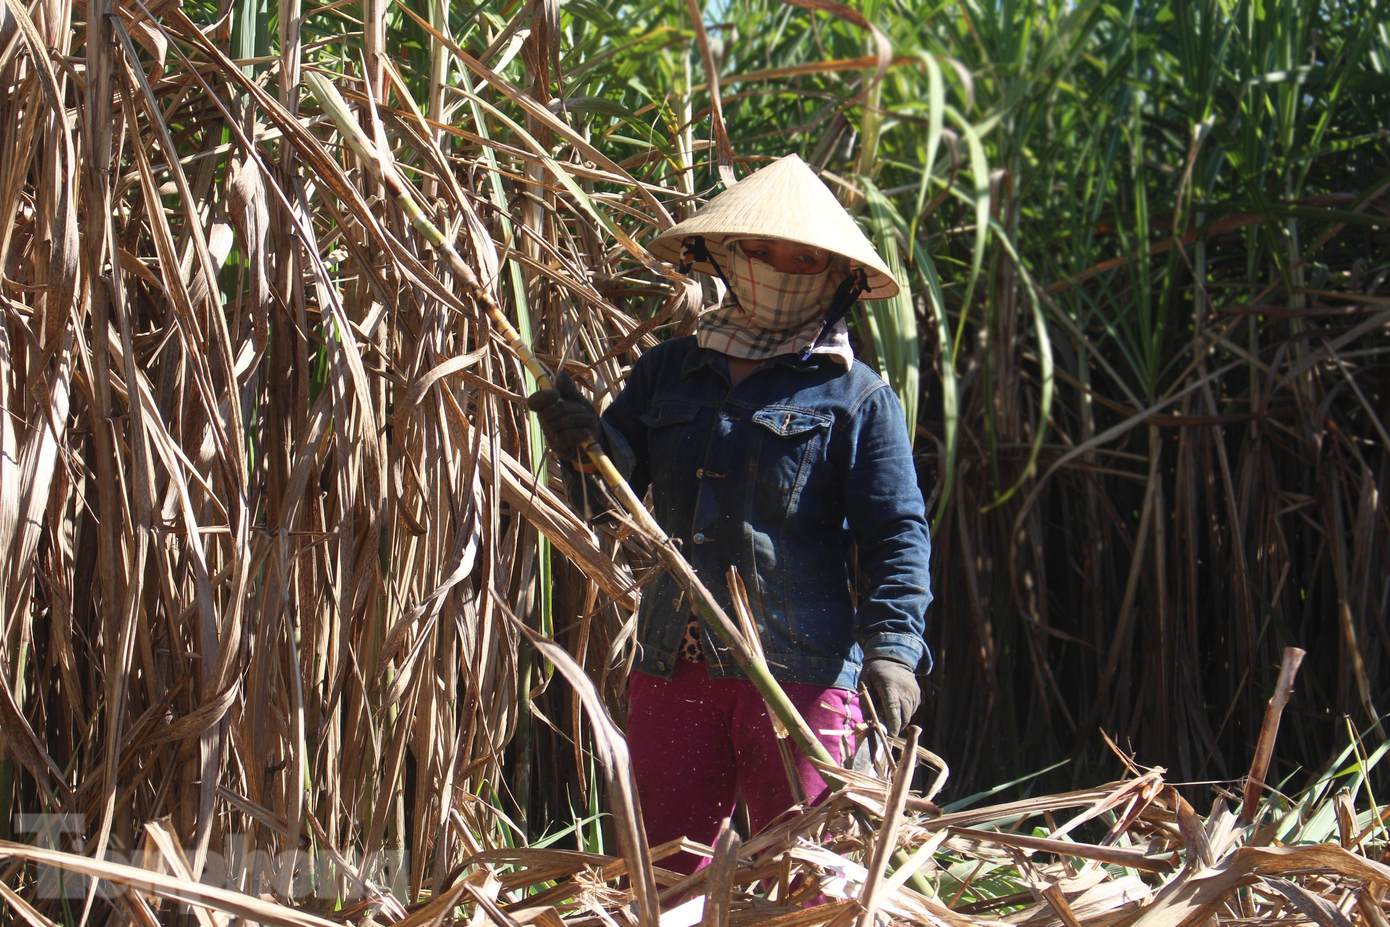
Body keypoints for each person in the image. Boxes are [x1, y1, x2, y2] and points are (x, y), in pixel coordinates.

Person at [527, 154, 932, 874]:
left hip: (801, 676)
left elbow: (897, 532)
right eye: (762, 250)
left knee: (805, 882)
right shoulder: (669, 370)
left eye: (805, 257)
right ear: (726, 253)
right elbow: (608, 495)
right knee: (662, 874)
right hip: (674, 663)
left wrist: (894, 650)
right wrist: (580, 442)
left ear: (838, 278)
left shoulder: (858, 398)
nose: (780, 267)